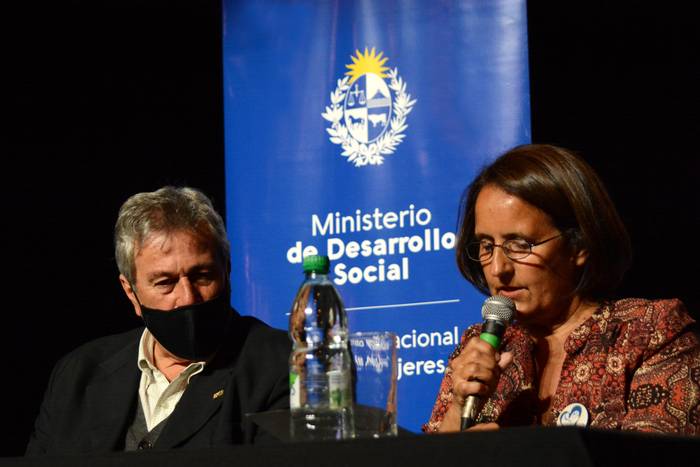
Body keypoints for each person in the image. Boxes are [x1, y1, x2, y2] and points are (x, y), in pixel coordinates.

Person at [424, 144, 700, 434]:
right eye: (486, 245)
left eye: (520, 244)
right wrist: (458, 406)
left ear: (578, 244)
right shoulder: (479, 347)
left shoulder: (650, 333)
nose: (498, 268)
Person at [26, 186, 291, 454]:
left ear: (227, 270)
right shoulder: (77, 374)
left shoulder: (280, 365)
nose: (188, 297)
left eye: (202, 275)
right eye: (165, 282)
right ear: (131, 292)